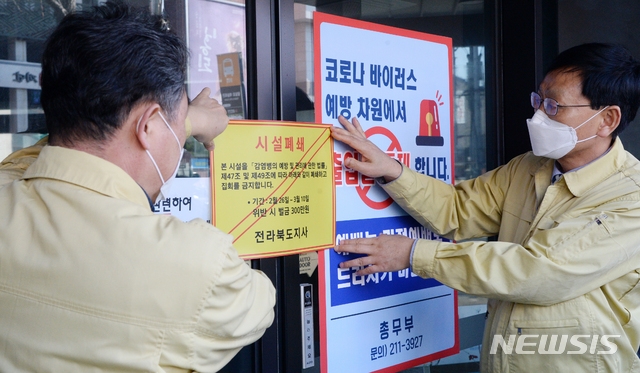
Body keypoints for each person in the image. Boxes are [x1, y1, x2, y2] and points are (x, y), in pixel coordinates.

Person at [331, 42, 640, 372]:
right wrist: (393, 170)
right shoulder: (527, 168)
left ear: (606, 119)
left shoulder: (630, 197)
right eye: (538, 100)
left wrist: (414, 255)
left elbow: (539, 272)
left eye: (553, 106)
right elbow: (456, 210)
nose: (537, 116)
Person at [0, 1, 275, 372]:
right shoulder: (199, 267)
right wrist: (182, 124)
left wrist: (179, 119)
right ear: (148, 126)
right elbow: (261, 303)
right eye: (179, 123)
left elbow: (26, 164)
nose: (183, 132)